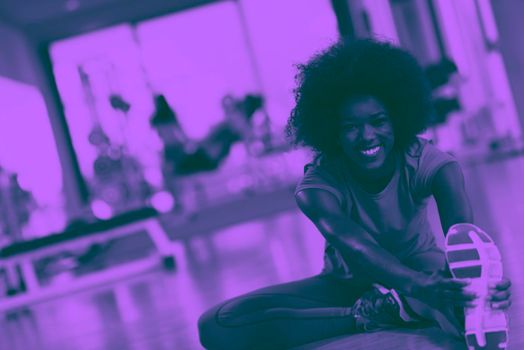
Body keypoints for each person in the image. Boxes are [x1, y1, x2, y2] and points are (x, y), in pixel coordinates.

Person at [197, 39, 511, 350]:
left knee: (455, 298)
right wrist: (417, 288)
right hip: (350, 284)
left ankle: (407, 307)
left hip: (424, 272)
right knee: (218, 325)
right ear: (331, 130)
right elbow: (357, 247)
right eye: (350, 126)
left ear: (398, 118)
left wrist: (477, 284)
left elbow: (464, 239)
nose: (366, 136)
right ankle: (386, 311)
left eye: (378, 121)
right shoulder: (317, 185)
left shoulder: (430, 163)